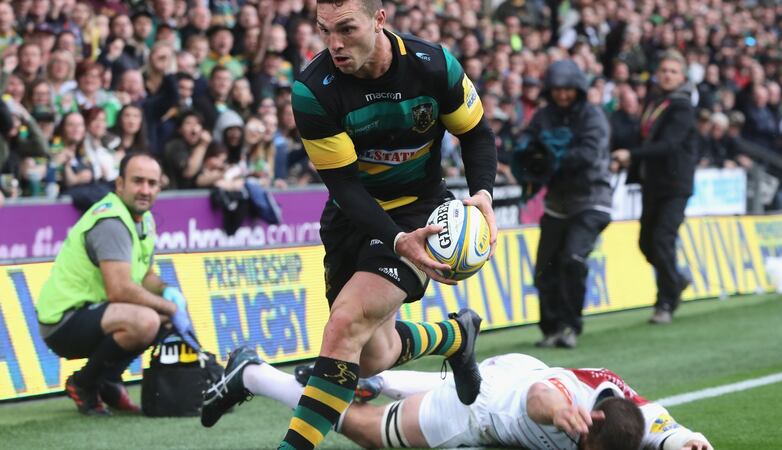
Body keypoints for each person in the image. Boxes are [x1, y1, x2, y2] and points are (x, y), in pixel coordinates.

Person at [223, 1, 497, 448]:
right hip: (355, 216)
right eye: (324, 31)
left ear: (379, 20)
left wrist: (482, 194)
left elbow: (476, 133)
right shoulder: (314, 90)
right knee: (372, 355)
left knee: (345, 323)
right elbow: (346, 186)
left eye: (346, 29)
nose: (334, 44)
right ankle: (453, 335)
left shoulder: (433, 66)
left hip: (419, 211)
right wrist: (394, 239)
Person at [202, 349, 714, 450]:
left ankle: (383, 381)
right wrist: (556, 410)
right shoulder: (564, 409)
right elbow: (543, 395)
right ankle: (256, 375)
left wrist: (691, 440)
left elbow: (671, 432)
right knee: (369, 431)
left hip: (516, 367)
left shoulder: (634, 420)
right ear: (587, 421)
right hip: (483, 407)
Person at [35, 152, 198, 415]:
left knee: (163, 317)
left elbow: (144, 277)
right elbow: (120, 289)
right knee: (147, 320)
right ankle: (84, 383)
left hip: (94, 312)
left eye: (152, 183)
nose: (145, 190)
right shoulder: (111, 221)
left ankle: (108, 381)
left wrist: (169, 292)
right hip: (62, 321)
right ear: (120, 184)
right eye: (138, 181)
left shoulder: (144, 219)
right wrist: (169, 307)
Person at [514, 59, 612, 349]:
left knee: (572, 259)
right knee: (545, 267)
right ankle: (550, 328)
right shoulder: (545, 116)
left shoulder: (592, 116)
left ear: (578, 89)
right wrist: (529, 156)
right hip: (557, 203)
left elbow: (589, 153)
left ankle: (570, 326)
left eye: (568, 89)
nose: (562, 95)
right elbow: (528, 141)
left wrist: (554, 158)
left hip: (592, 199)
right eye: (557, 89)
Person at [612, 50, 698, 325]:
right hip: (652, 183)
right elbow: (643, 137)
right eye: (664, 71)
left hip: (675, 185)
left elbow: (669, 144)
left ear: (682, 76)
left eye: (673, 71)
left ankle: (665, 302)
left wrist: (632, 155)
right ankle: (677, 279)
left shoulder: (682, 107)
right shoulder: (654, 102)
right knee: (646, 243)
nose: (668, 75)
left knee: (662, 240)